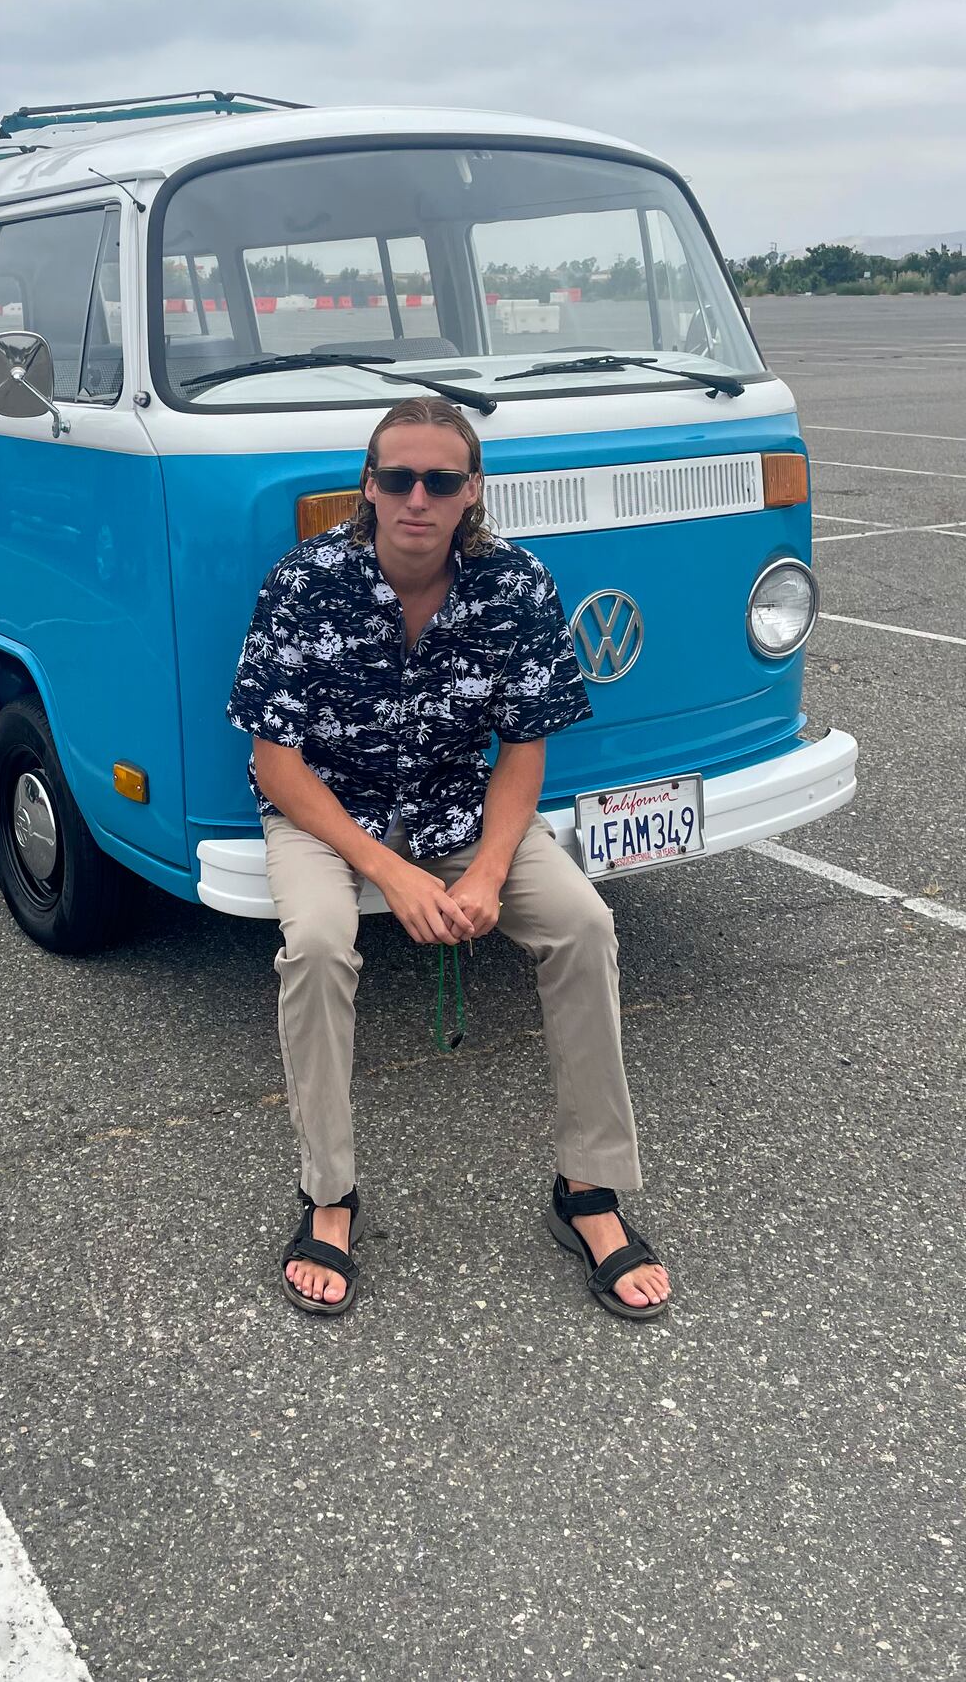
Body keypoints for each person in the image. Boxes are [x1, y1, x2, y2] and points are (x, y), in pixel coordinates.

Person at [228, 396, 671, 1323]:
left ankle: (589, 1191)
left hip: (456, 810)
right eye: (397, 478)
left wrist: (482, 870)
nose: (416, 497)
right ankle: (330, 1196)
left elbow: (522, 744)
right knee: (316, 943)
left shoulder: (516, 584)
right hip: (326, 812)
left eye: (440, 479)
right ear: (369, 487)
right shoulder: (307, 582)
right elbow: (276, 757)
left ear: (473, 489)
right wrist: (390, 874)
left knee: (585, 924)